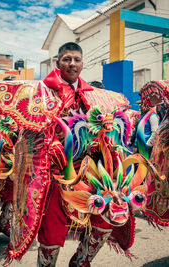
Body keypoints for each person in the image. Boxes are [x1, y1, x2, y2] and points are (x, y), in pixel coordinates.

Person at [37, 42, 112, 267]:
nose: (72, 64)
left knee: (107, 215)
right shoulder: (43, 93)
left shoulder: (94, 96)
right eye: (67, 59)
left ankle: (80, 262)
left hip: (89, 169)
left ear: (82, 63)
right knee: (51, 229)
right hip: (54, 171)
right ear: (57, 62)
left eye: (76, 60)